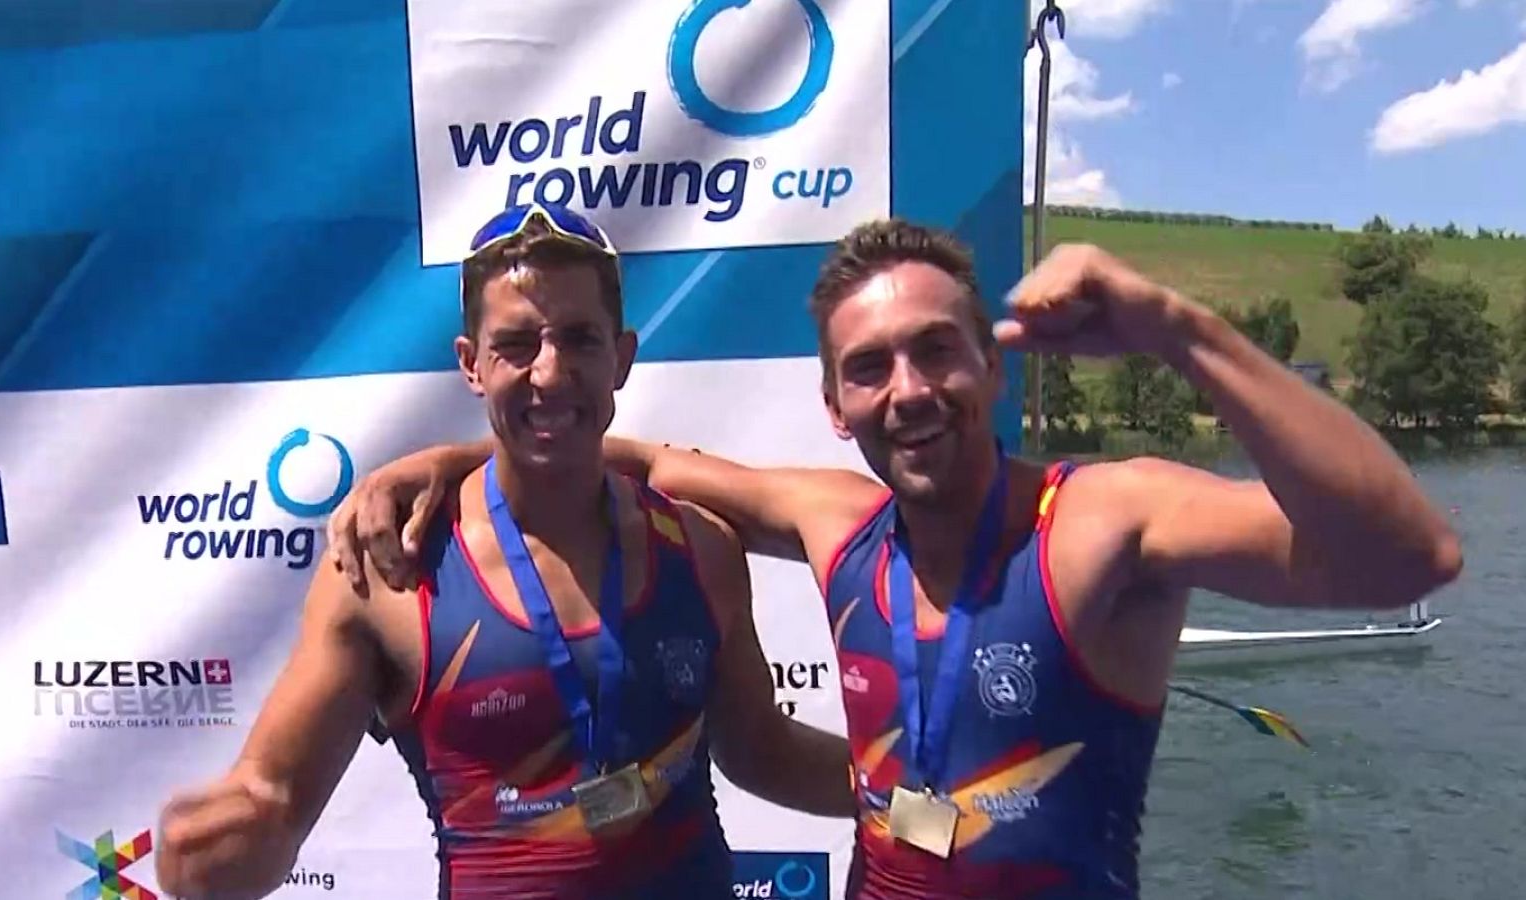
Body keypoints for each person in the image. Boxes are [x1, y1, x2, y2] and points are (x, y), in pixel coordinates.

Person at [328, 219, 1464, 899]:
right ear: (833, 406)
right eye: (870, 368)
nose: (908, 391)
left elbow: (1406, 555)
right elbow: (614, 451)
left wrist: (1180, 330)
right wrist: (439, 461)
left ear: (992, 368)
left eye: (937, 352)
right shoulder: (834, 524)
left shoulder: (1106, 522)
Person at [153, 202, 854, 900]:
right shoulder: (391, 573)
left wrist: (927, 801)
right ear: (472, 365)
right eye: (517, 344)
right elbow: (271, 794)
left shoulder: (701, 547)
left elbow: (763, 751)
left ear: (623, 357)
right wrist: (231, 839)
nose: (549, 373)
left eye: (579, 340)